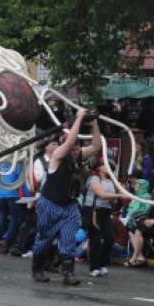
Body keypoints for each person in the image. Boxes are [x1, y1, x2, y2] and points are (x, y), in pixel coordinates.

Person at [32, 108, 101, 285]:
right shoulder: (57, 157)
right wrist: (78, 118)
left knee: (68, 238)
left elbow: (96, 146)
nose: (76, 149)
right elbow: (69, 143)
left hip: (69, 206)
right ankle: (38, 269)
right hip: (50, 204)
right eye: (72, 146)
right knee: (44, 239)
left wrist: (93, 122)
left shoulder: (77, 155)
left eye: (78, 146)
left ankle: (68, 273)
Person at [82, 160, 122, 277]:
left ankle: (102, 264)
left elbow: (111, 198)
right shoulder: (94, 179)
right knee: (95, 240)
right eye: (106, 164)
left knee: (110, 238)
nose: (110, 166)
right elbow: (101, 194)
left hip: (106, 211)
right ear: (99, 167)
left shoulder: (111, 181)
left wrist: (118, 195)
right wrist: (120, 195)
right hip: (94, 211)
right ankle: (94, 267)